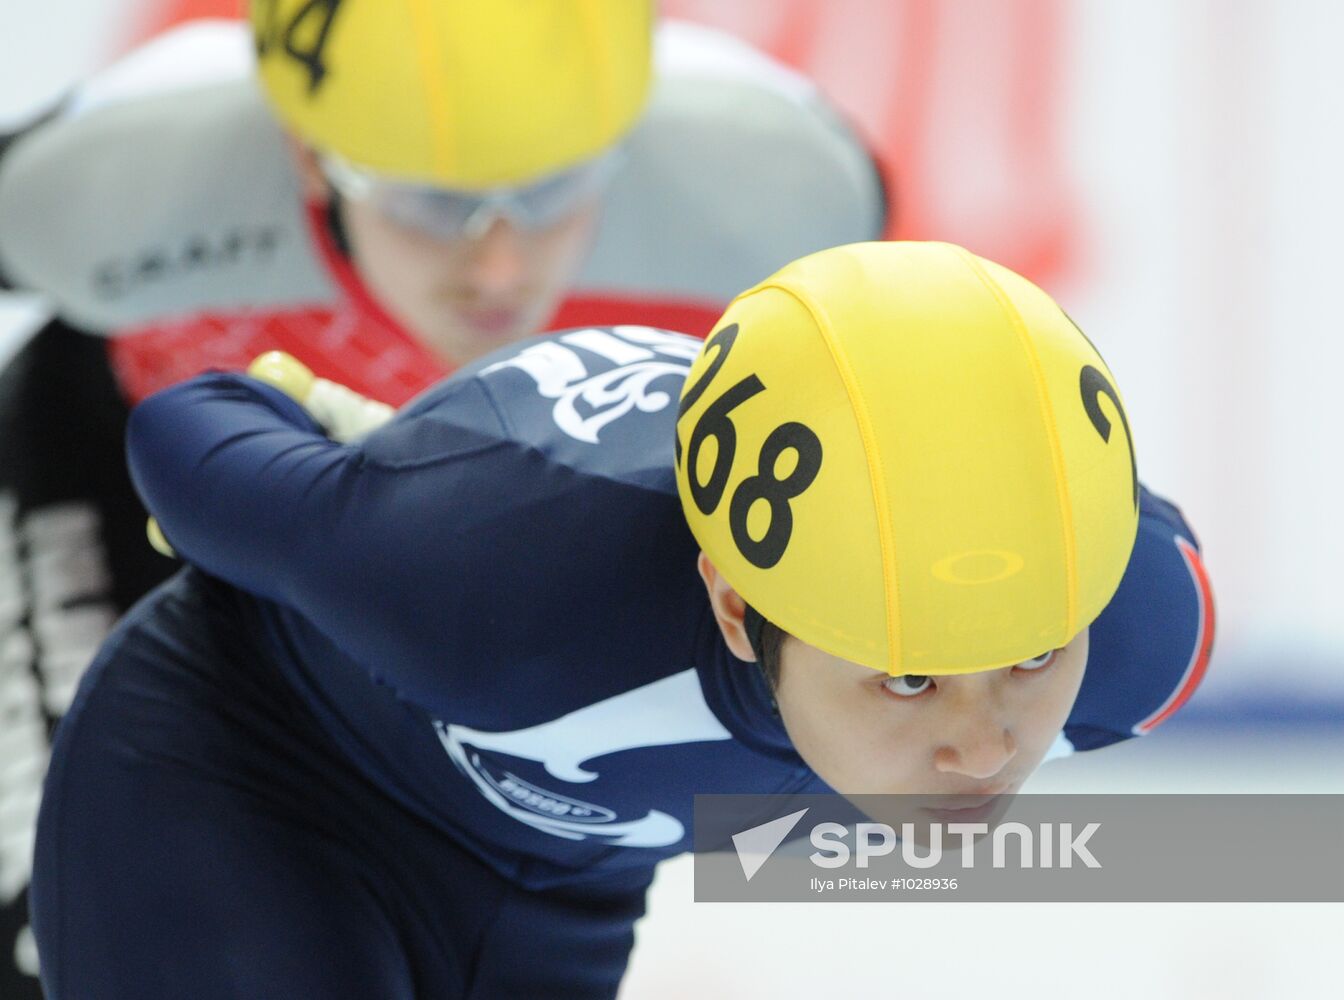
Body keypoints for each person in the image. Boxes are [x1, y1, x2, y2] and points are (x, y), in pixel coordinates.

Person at [31, 241, 1213, 998]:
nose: (985, 747)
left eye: (1031, 654)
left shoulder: (1142, 635)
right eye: (908, 680)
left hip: (553, 889)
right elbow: (187, 425)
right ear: (738, 609)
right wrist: (345, 470)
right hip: (251, 781)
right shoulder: (501, 588)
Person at [0, 4, 885, 990]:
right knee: (55, 917)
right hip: (132, 463)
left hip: (421, 534)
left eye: (554, 190)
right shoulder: (102, 179)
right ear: (306, 156)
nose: (497, 265)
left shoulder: (778, 181)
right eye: (428, 201)